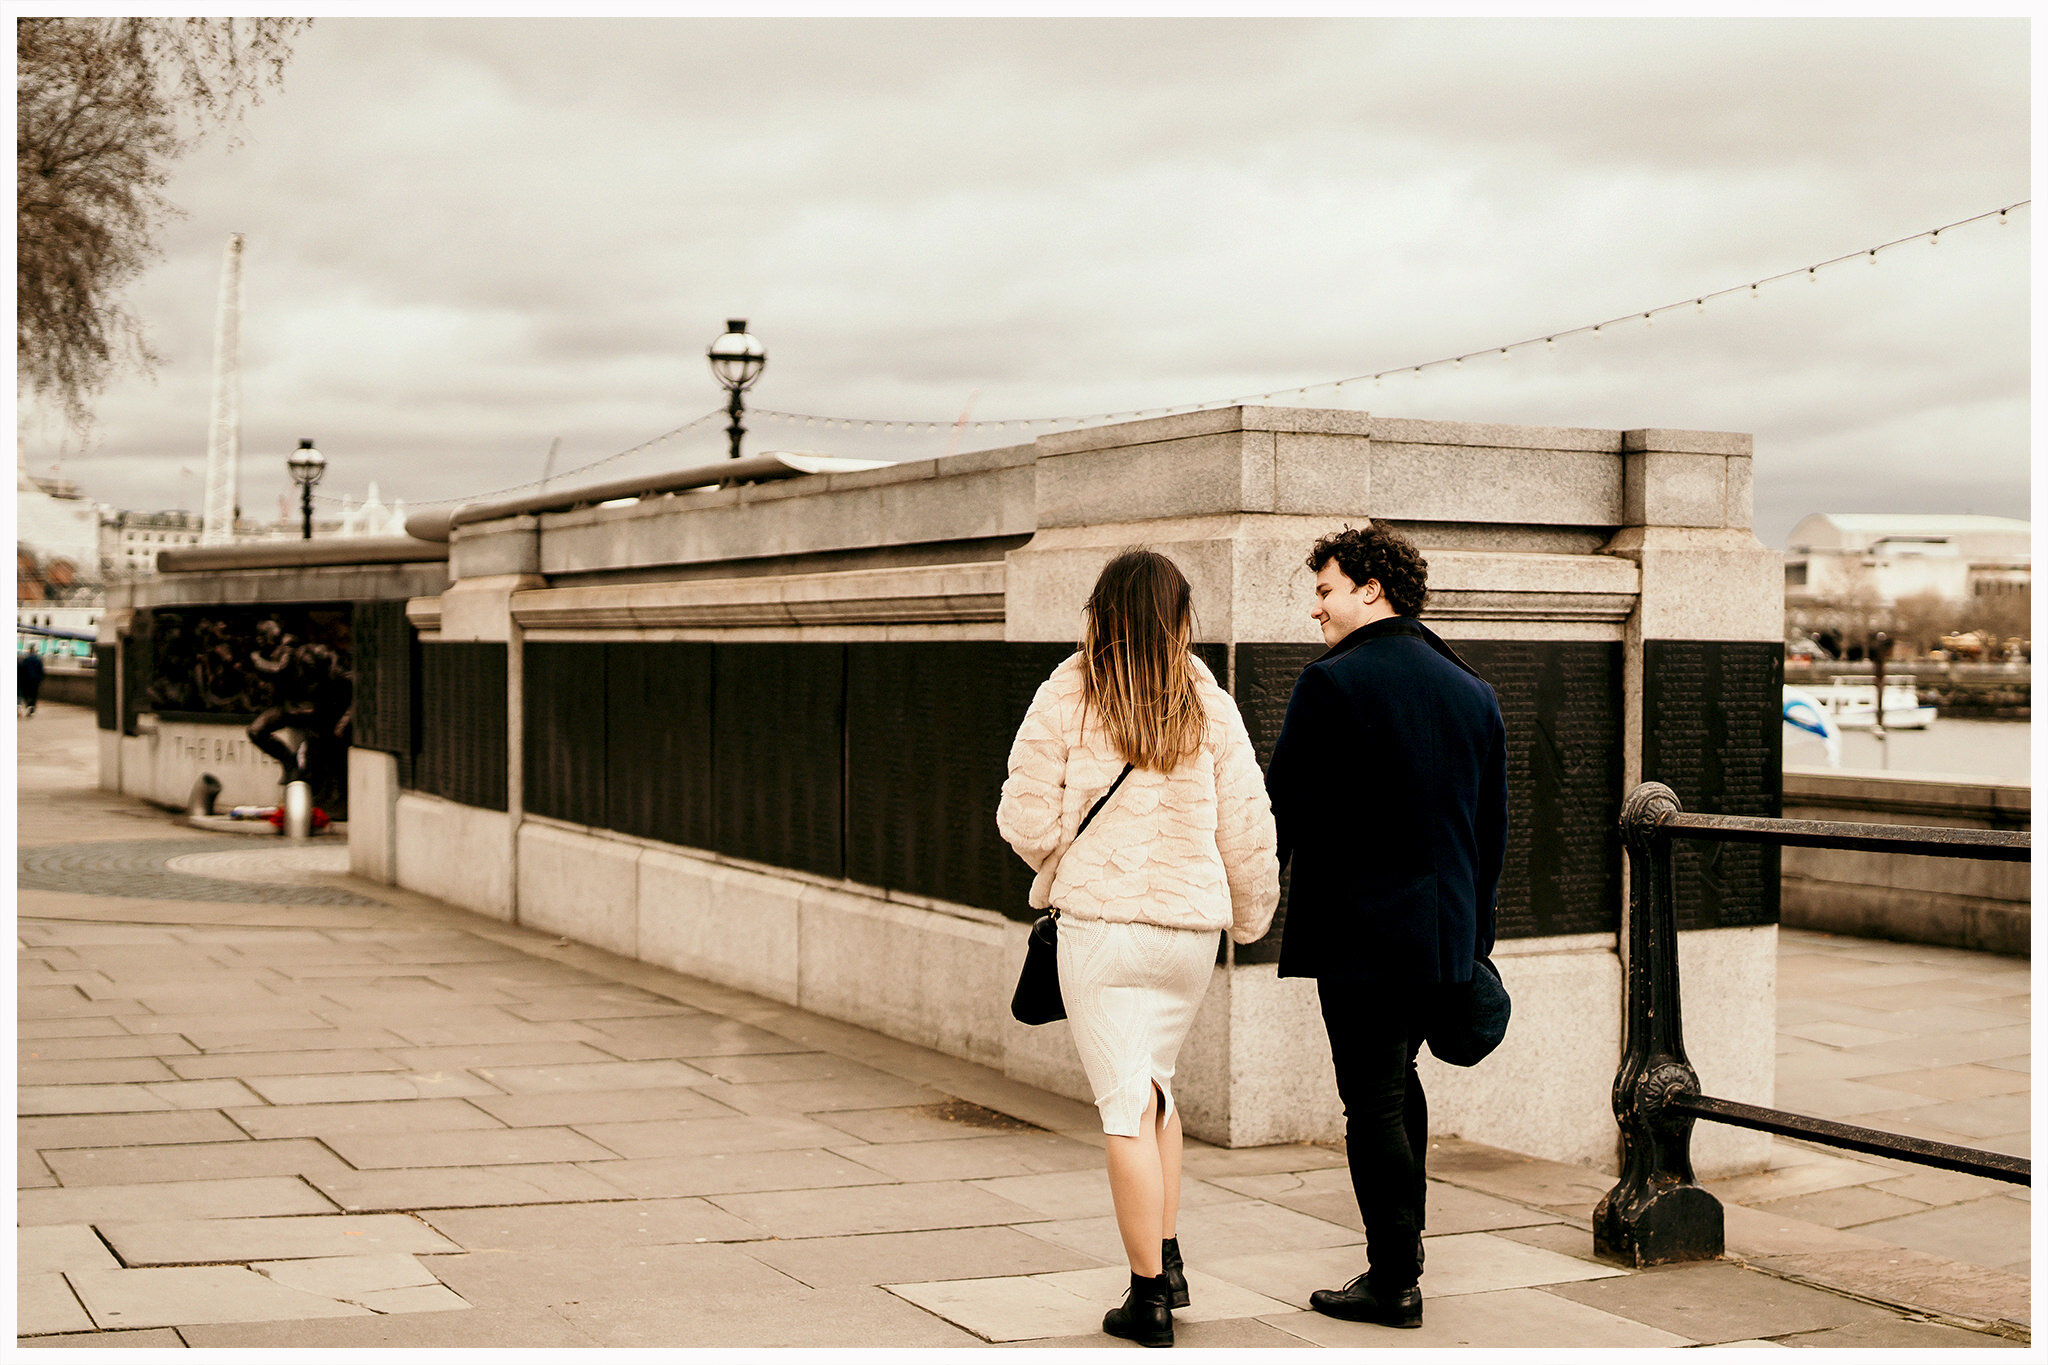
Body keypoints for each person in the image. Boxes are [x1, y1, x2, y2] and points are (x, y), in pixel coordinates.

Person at [999, 548, 1278, 1349]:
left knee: (1124, 1105)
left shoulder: (1068, 687)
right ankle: (1170, 1252)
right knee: (1155, 1087)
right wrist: (1250, 914)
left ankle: (1148, 1295)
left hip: (1102, 925)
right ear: (1178, 614)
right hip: (1188, 933)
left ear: (1101, 611)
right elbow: (1248, 828)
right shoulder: (1206, 697)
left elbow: (1024, 820)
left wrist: (1064, 851)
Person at [1264, 523, 1508, 1330]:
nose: (1317, 609)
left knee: (1371, 1100)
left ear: (1372, 588)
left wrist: (1239, 900)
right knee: (1402, 1088)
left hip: (1361, 938)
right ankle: (1404, 1257)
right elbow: (1491, 833)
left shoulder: (1331, 684)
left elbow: (1281, 815)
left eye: (1326, 590)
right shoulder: (1472, 688)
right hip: (1444, 940)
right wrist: (1477, 945)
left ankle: (1394, 1278)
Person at [18, 643, 46, 716]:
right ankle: (32, 707)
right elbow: (41, 670)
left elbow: (22, 670)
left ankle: (28, 705)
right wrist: (40, 679)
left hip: (26, 680)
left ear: (29, 650)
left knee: (25, 693)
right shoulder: (38, 659)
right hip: (36, 680)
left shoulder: (26, 659)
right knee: (34, 694)